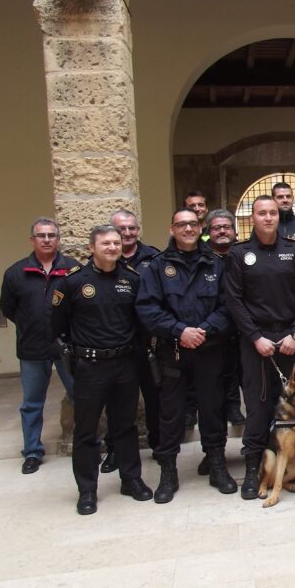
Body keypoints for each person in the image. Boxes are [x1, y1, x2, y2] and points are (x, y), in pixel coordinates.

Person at [223, 195, 295, 499]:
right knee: (259, 406)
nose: (268, 218)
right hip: (257, 342)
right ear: (252, 218)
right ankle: (254, 467)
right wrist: (255, 337)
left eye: (272, 213)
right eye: (261, 213)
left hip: (293, 339)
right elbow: (233, 300)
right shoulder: (239, 254)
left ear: (279, 217)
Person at [51, 225, 154, 515]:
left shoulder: (132, 279)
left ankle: (131, 479)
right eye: (105, 243)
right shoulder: (73, 283)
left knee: (126, 426)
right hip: (90, 366)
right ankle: (87, 490)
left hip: (124, 364)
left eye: (116, 243)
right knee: (87, 431)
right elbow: (57, 328)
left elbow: (141, 322)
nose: (112, 247)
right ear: (92, 247)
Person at [136, 209, 236, 503]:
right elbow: (147, 309)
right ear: (172, 229)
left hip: (210, 350)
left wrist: (204, 329)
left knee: (212, 409)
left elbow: (229, 305)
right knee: (171, 415)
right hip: (174, 352)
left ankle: (217, 465)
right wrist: (180, 331)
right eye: (182, 224)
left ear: (200, 227)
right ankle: (169, 472)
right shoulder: (157, 267)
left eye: (193, 224)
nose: (188, 228)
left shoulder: (217, 265)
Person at [0, 218, 79, 475]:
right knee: (32, 402)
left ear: (58, 239)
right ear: (32, 240)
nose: (46, 239)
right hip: (32, 348)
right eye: (41, 235)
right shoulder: (16, 273)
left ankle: (86, 443)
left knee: (81, 396)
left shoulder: (73, 269)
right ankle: (32, 451)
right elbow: (8, 309)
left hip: (66, 346)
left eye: (51, 235)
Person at [102, 209, 160, 470]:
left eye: (131, 228)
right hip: (114, 343)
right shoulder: (103, 262)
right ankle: (114, 449)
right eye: (121, 229)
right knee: (117, 402)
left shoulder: (154, 258)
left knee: (155, 396)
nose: (127, 233)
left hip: (147, 341)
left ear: (139, 229)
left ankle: (159, 445)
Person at [205, 209, 246, 427]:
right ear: (209, 231)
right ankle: (230, 409)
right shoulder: (202, 257)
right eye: (217, 227)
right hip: (215, 329)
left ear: (234, 230)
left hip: (246, 329)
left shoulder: (245, 253)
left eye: (227, 227)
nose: (222, 231)